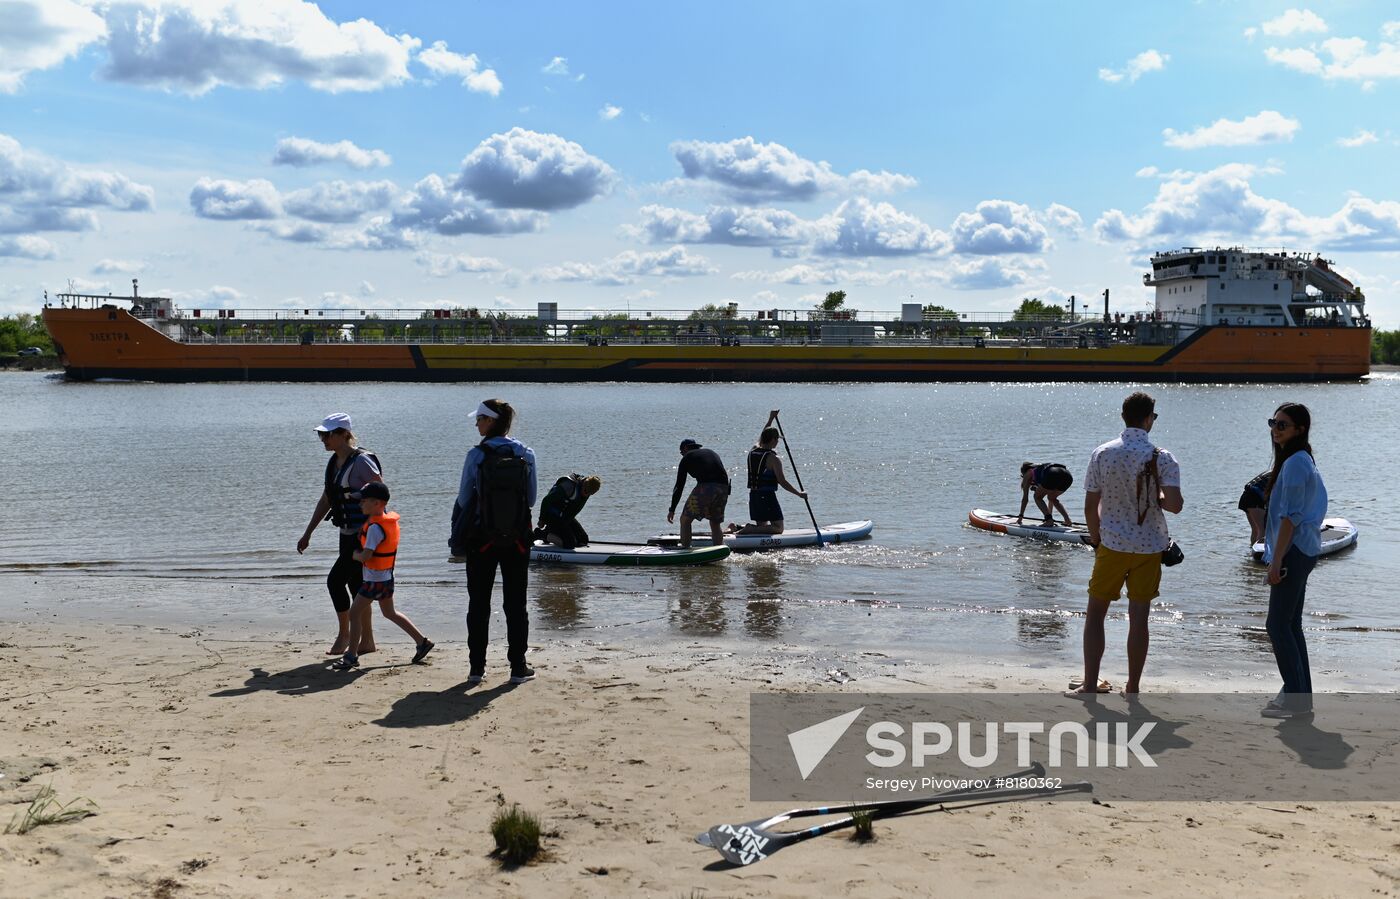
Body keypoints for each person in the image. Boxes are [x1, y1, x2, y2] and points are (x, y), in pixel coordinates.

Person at [1070, 392, 1183, 696]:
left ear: (1123, 417)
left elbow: (1090, 505)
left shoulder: (1102, 453)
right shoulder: (1163, 457)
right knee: (1139, 618)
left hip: (1112, 544)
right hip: (1150, 547)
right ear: (1149, 419)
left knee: (1096, 614)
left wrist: (1096, 539)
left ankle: (1090, 684)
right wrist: (1156, 494)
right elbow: (1175, 506)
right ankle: (1132, 686)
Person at [449, 399, 538, 686]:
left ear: (491, 421)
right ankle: (518, 668)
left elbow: (464, 498)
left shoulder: (475, 455)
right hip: (517, 540)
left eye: (480, 419)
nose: (476, 423)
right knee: (516, 604)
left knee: (478, 604)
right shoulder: (526, 453)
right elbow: (531, 499)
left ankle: (477, 669)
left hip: (481, 539)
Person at [1260, 403, 1327, 719]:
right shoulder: (1298, 459)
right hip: (1302, 549)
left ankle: (1296, 702)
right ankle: (1299, 697)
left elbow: (1291, 517)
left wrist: (1276, 562)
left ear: (1300, 429)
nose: (1275, 429)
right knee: (1290, 625)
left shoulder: (1297, 463)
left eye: (1282, 425)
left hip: (1295, 551)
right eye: (1273, 423)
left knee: (1276, 625)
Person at [296, 412, 378, 657]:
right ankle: (367, 641)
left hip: (363, 534)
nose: (323, 439)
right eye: (321, 435)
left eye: (328, 434)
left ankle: (344, 635)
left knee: (335, 581)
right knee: (356, 585)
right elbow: (327, 499)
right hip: (346, 531)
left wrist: (375, 534)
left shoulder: (362, 461)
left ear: (344, 434)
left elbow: (380, 493)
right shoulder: (334, 463)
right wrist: (308, 533)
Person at [333, 482, 432, 670]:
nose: (360, 504)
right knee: (389, 613)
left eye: (364, 501)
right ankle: (422, 642)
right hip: (386, 578)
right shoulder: (386, 523)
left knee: (354, 613)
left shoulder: (374, 528)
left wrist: (354, 555)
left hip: (374, 581)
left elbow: (366, 556)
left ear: (377, 503)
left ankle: (351, 656)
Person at [730, 427, 806, 536]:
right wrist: (799, 494)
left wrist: (770, 419)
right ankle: (750, 528)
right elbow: (782, 481)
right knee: (778, 528)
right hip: (767, 496)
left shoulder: (752, 451)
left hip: (754, 496)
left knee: (762, 528)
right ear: (773, 440)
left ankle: (736, 527)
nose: (778, 442)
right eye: (777, 439)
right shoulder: (773, 459)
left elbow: (760, 438)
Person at [667, 439, 730, 548]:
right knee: (715, 522)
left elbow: (679, 486)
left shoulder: (687, 457)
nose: (682, 455)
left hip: (706, 488)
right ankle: (719, 549)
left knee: (685, 520)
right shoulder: (711, 452)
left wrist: (672, 509)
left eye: (681, 452)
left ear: (685, 448)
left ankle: (685, 550)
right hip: (724, 488)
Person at [535, 474, 602, 548]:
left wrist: (567, 529)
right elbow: (546, 501)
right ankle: (540, 534)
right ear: (584, 484)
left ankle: (550, 531)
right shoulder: (568, 487)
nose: (586, 495)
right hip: (552, 516)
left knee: (583, 540)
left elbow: (574, 512)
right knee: (570, 544)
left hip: (564, 518)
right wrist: (541, 519)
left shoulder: (588, 489)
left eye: (590, 494)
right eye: (586, 491)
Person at [1016, 462, 1075, 526]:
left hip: (1052, 474)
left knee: (1037, 497)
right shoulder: (1040, 470)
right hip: (1067, 476)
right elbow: (1050, 497)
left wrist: (1020, 516)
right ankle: (1067, 520)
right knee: (1052, 498)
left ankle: (1049, 521)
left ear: (1024, 472)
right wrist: (1050, 515)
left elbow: (1025, 499)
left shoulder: (1028, 473)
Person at [1237, 470, 1271, 545]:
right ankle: (1259, 550)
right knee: (1263, 530)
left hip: (1246, 496)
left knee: (1256, 530)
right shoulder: (1280, 474)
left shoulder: (1272, 471)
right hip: (1254, 498)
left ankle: (1252, 549)